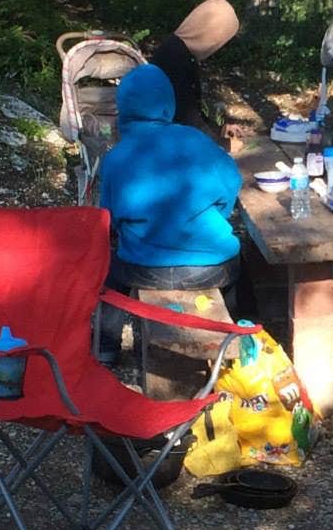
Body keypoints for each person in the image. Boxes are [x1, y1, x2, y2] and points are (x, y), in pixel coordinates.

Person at [96, 64, 243, 359]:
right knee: (238, 269)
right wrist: (219, 213)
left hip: (144, 268)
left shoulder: (116, 158)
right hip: (210, 267)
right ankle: (243, 332)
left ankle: (106, 347)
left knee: (110, 279)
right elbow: (232, 183)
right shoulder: (196, 140)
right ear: (168, 103)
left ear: (123, 108)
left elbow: (107, 218)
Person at [147, 0, 241, 139]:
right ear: (212, 33)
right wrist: (221, 145)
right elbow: (186, 119)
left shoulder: (180, 50)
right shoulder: (175, 58)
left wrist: (219, 130)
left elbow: (192, 110)